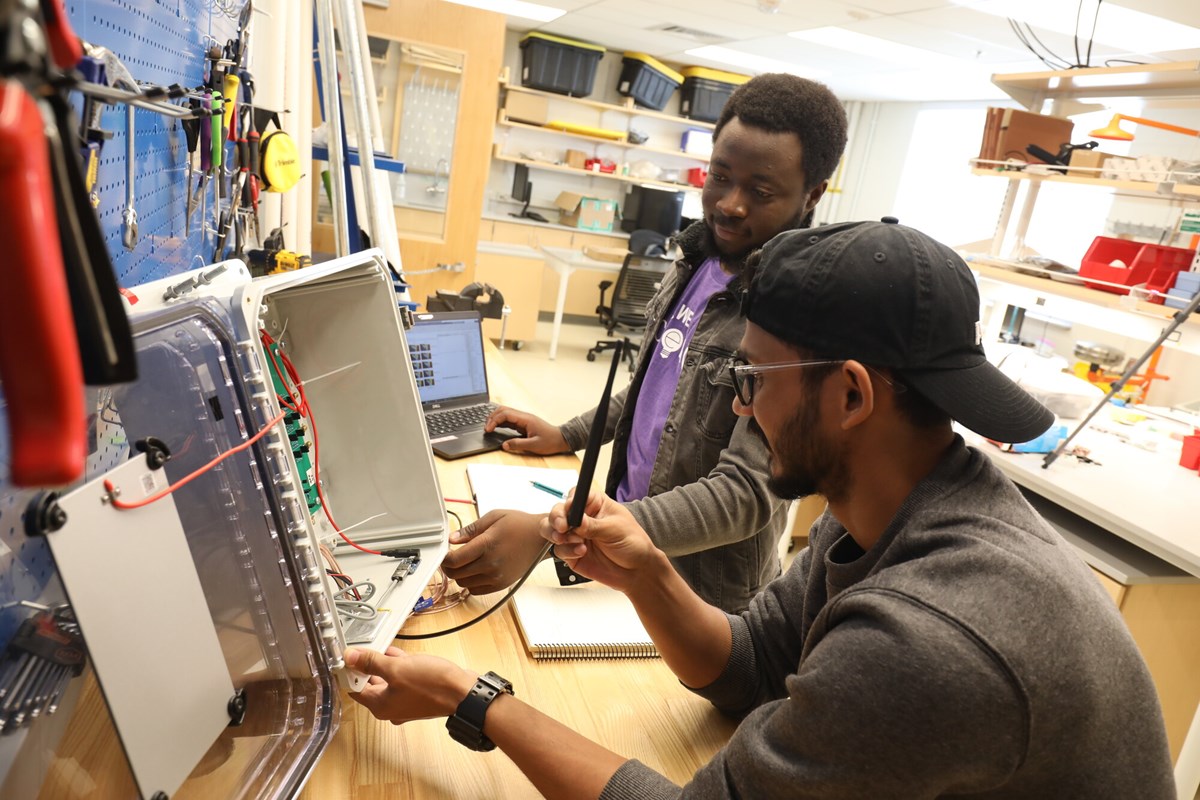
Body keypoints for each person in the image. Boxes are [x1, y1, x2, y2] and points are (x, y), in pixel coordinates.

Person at [347, 220, 1174, 798]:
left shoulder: (926, 640)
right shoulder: (893, 509)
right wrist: (646, 574)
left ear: (851, 394)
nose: (741, 409)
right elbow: (746, 668)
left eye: (751, 381)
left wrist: (476, 698)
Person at [442, 74, 850, 613]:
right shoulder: (696, 261)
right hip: (618, 554)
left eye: (761, 191)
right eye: (720, 177)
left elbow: (744, 497)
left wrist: (555, 533)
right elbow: (659, 389)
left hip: (698, 593)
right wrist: (566, 435)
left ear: (812, 194)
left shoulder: (795, 322)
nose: (729, 204)